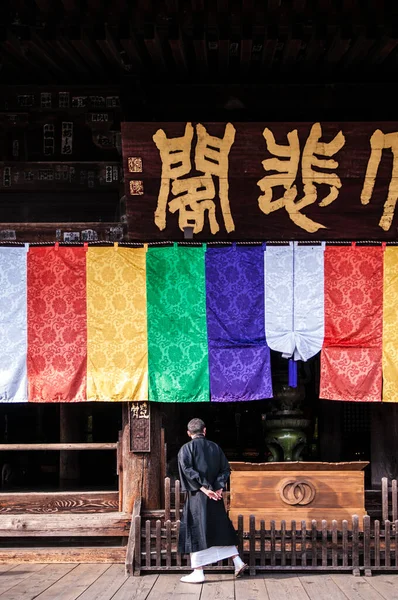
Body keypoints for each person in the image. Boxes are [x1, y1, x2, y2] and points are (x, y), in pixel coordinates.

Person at [178, 417, 247, 584]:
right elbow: (225, 469)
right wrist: (218, 487)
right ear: (205, 430)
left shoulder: (186, 449)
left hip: (198, 497)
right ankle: (237, 562)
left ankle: (198, 571)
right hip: (215, 496)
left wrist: (204, 488)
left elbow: (187, 471)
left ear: (189, 433)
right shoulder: (215, 448)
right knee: (220, 528)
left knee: (197, 531)